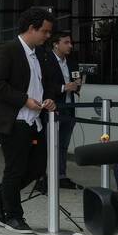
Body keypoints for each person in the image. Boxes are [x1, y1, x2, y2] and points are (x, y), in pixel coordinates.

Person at [0, 7, 59, 232]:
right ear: (32, 28)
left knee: (35, 168)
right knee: (15, 169)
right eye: (44, 31)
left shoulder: (41, 54)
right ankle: (13, 216)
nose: (47, 36)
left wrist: (49, 99)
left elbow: (49, 84)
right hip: (14, 119)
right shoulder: (8, 50)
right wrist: (25, 100)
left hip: (35, 119)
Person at [45, 30, 81, 190]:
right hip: (54, 108)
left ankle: (61, 176)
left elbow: (76, 80)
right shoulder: (46, 60)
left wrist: (77, 84)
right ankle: (46, 176)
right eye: (66, 42)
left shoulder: (71, 62)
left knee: (64, 145)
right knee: (51, 144)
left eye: (70, 42)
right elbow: (43, 84)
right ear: (56, 43)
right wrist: (63, 87)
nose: (70, 45)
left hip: (69, 107)